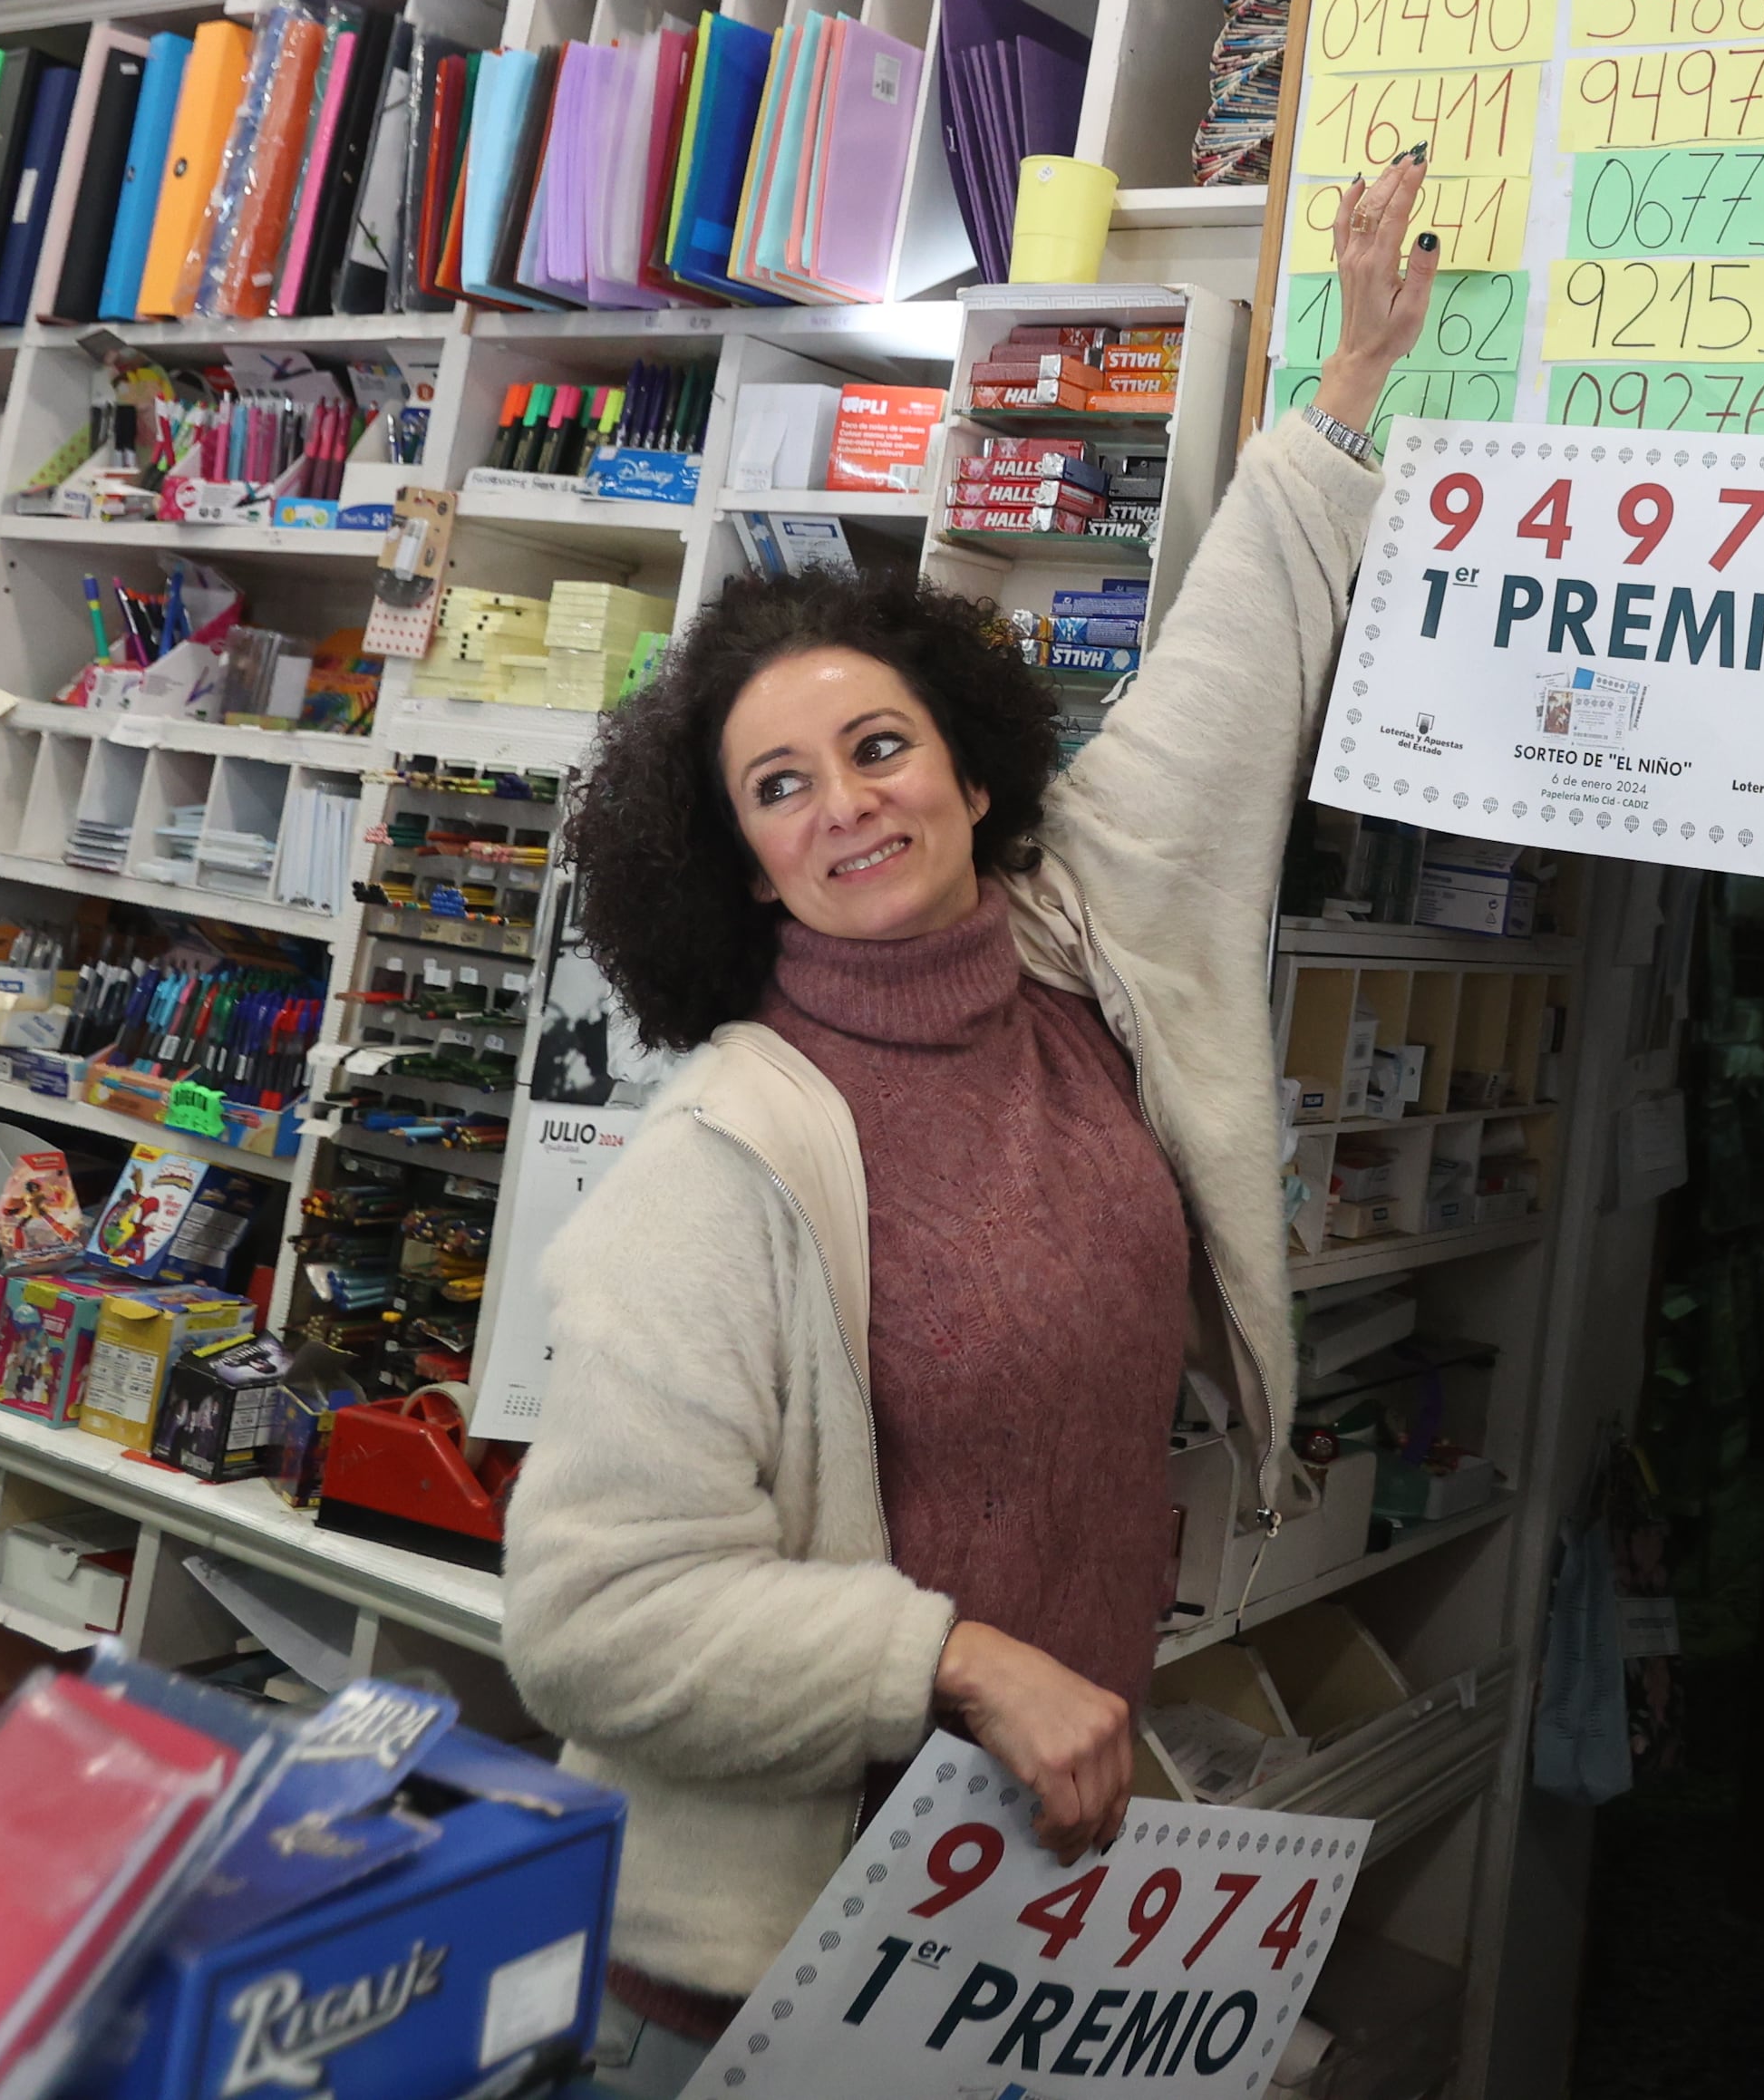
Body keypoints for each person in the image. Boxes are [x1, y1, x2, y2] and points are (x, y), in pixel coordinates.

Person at [506, 161, 1439, 2095]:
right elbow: (586, 1623)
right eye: (781, 784)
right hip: (756, 1984)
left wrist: (1349, 372)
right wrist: (946, 1656)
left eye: (875, 746)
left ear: (959, 763)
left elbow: (1222, 670)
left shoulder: (1074, 952)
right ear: (736, 861)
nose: (847, 802)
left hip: (1008, 1922)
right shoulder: (723, 1164)